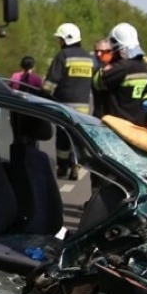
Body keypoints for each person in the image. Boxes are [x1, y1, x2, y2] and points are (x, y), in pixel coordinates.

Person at [42, 23, 94, 179]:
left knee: (63, 138)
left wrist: (43, 94)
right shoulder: (88, 58)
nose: (59, 42)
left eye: (60, 39)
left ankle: (63, 168)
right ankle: (75, 166)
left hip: (64, 106)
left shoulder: (63, 56)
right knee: (77, 138)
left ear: (66, 39)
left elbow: (51, 82)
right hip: (83, 108)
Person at [92, 22, 147, 126]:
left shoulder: (120, 68)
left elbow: (97, 82)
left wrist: (102, 65)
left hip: (117, 126)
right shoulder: (142, 66)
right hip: (137, 125)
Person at [92, 39, 114, 117]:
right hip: (99, 115)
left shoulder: (118, 69)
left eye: (102, 51)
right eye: (96, 51)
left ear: (111, 52)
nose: (98, 54)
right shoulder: (95, 70)